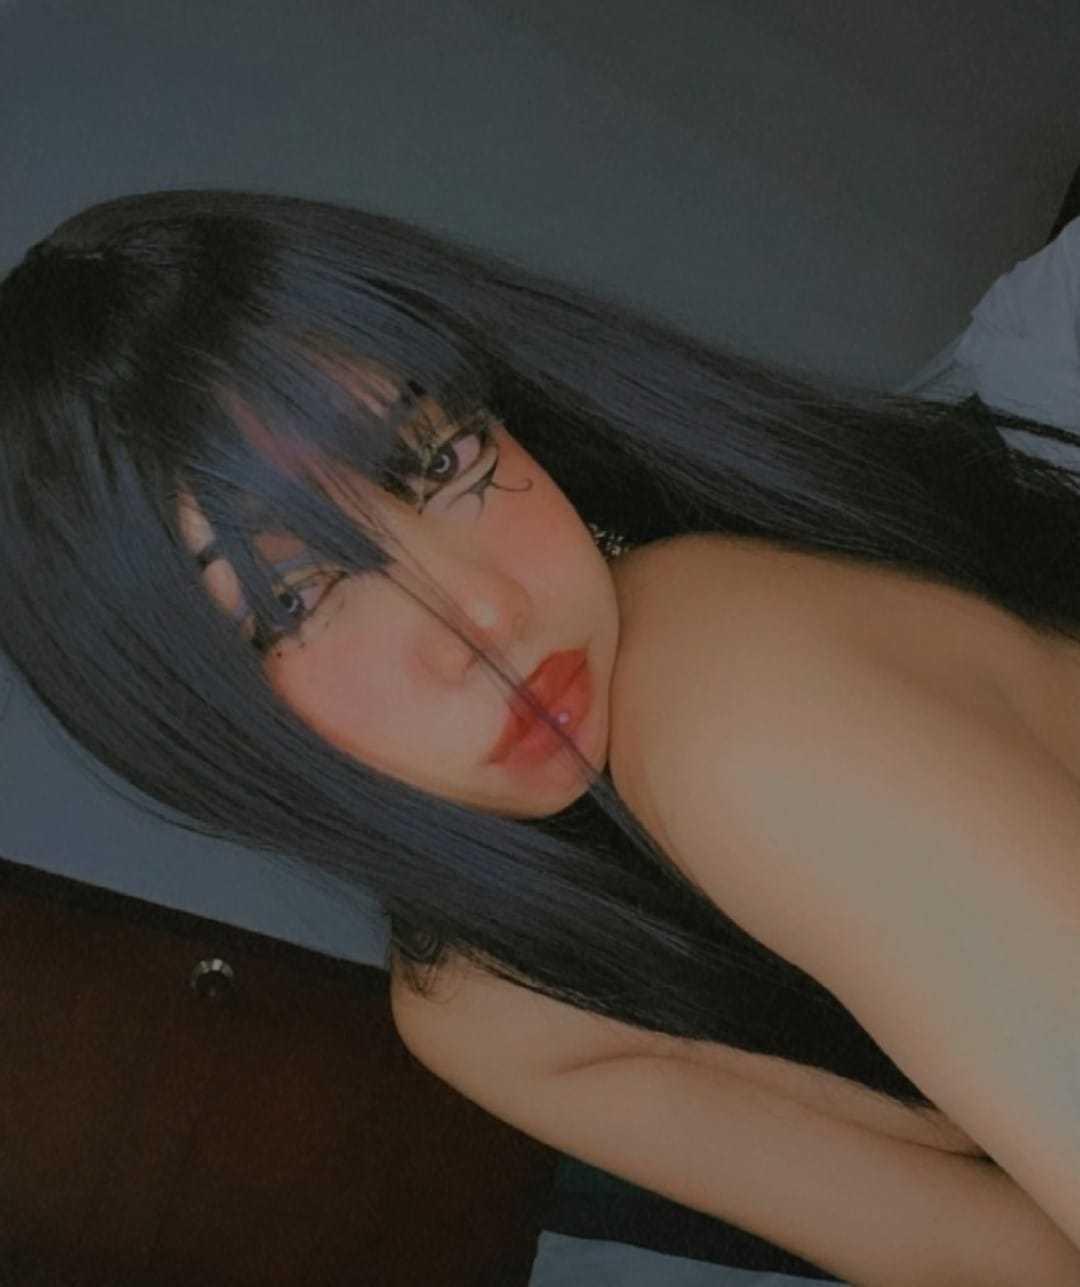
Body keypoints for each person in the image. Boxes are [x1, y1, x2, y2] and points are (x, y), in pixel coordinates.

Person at [3, 189, 1080, 1284]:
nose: (480, 616)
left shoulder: (721, 697)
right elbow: (999, 1261)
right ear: (195, 720)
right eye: (293, 600)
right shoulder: (487, 1015)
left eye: (435, 462)